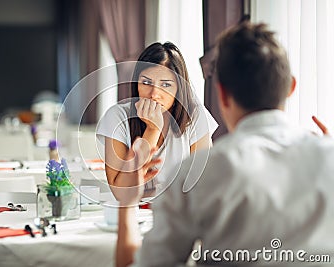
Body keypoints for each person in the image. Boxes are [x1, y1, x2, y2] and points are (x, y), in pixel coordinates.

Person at [115, 22, 334, 267]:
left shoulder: (201, 173)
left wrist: (126, 203)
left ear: (221, 94)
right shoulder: (329, 158)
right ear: (291, 87)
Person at [96, 42, 218, 194]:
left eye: (166, 85)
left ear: (179, 89)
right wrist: (152, 130)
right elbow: (121, 192)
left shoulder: (195, 116)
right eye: (146, 82)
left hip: (181, 214)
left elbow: (204, 185)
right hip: (135, 214)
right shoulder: (117, 116)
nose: (154, 94)